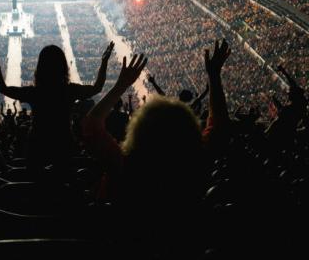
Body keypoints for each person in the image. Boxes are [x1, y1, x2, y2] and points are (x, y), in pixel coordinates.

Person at [82, 39, 232, 257]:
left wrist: (120, 85)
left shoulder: (125, 164)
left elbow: (91, 126)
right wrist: (214, 76)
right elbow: (219, 128)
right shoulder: (195, 162)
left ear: (139, 129)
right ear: (189, 131)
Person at [0, 41, 114, 172]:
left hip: (38, 143)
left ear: (40, 67)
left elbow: (3, 88)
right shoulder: (70, 91)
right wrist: (104, 61)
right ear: (63, 67)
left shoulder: (35, 93)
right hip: (63, 142)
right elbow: (97, 87)